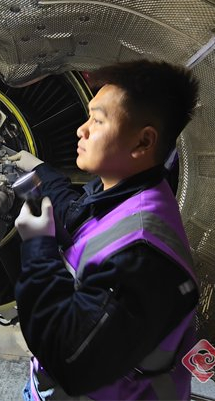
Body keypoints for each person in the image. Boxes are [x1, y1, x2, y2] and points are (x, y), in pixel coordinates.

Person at [10, 60, 200, 400]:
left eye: (97, 121)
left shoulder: (144, 257)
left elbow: (69, 360)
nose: (81, 131)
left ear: (143, 142)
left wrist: (37, 249)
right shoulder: (127, 191)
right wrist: (40, 172)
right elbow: (77, 214)